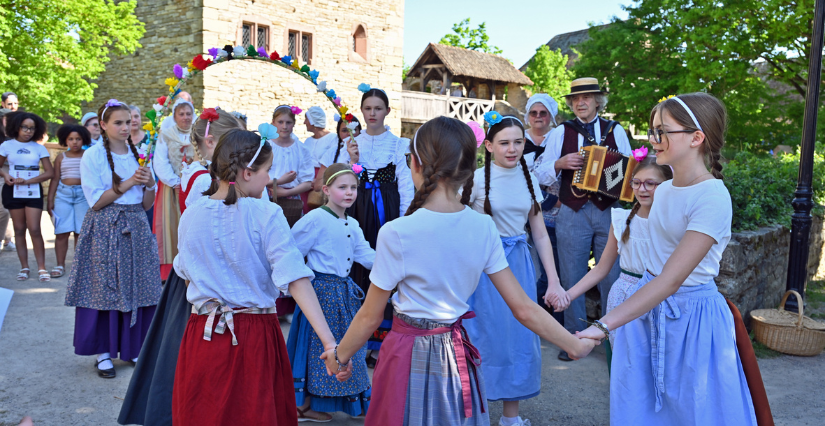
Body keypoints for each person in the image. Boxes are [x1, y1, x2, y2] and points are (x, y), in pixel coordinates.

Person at [327, 116, 598, 426]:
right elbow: (524, 308)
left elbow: (369, 316)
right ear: (469, 169)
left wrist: (339, 356)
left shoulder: (397, 231)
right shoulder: (482, 226)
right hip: (457, 352)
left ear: (415, 164)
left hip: (406, 352)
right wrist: (573, 344)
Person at [576, 93, 757, 424]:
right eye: (652, 130)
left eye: (662, 131)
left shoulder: (713, 197)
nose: (653, 139)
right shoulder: (666, 190)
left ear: (696, 137)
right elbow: (651, 266)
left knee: (693, 409)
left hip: (692, 318)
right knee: (640, 407)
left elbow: (671, 279)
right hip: (645, 312)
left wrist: (603, 325)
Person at [171, 128, 343, 425]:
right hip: (252, 336)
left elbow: (188, 277)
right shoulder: (266, 214)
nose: (269, 178)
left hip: (204, 333)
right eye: (267, 170)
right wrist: (329, 343)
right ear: (248, 172)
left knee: (204, 414)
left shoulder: (192, 213)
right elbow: (295, 279)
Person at [117, 107, 243, 426]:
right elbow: (197, 234)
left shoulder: (219, 173)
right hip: (200, 277)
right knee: (189, 348)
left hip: (223, 271)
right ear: (213, 142)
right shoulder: (201, 176)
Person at [463, 113, 567, 426]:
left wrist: (553, 281)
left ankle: (511, 418)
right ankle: (472, 415)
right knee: (480, 336)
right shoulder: (476, 180)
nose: (512, 149)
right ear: (490, 146)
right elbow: (457, 225)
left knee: (518, 338)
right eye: (504, 142)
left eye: (518, 142)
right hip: (482, 268)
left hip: (519, 264)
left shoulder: (529, 178)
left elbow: (538, 233)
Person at [534, 77, 632, 361]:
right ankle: (573, 340)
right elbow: (540, 172)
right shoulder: (561, 132)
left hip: (608, 212)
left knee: (611, 278)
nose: (580, 102)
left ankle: (612, 339)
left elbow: (626, 169)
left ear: (598, 101)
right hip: (572, 210)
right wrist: (559, 163)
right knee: (571, 274)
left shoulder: (616, 130)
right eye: (575, 99)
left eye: (587, 97)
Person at [64, 99, 160, 379]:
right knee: (104, 287)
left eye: (128, 121)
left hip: (136, 224)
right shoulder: (92, 156)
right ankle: (103, 352)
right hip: (105, 226)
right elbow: (96, 202)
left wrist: (150, 185)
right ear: (103, 126)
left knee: (137, 285)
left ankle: (131, 347)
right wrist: (130, 181)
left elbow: (144, 204)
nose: (124, 127)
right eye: (117, 122)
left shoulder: (139, 152)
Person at [287, 163, 375, 421]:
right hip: (320, 294)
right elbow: (292, 252)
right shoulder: (315, 219)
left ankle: (348, 401)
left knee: (349, 347)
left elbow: (365, 254)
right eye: (342, 187)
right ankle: (304, 405)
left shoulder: (353, 224)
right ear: (326, 189)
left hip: (344, 296)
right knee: (319, 350)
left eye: (353, 188)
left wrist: (393, 266)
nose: (349, 192)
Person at [560, 155, 671, 354]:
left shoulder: (672, 223)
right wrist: (568, 295)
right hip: (622, 298)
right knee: (624, 359)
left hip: (658, 297)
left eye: (650, 183)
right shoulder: (621, 219)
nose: (642, 189)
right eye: (636, 182)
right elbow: (601, 269)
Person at [340, 85, 414, 363]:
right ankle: (354, 337)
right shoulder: (352, 143)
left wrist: (405, 219)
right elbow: (341, 178)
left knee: (384, 268)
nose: (372, 113)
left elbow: (405, 183)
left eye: (378, 108)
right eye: (368, 108)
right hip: (358, 207)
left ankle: (379, 341)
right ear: (361, 111)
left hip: (386, 210)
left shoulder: (398, 144)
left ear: (387, 111)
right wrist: (352, 160)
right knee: (356, 265)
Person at [0, 111, 54, 282]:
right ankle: (24, 267)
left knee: (35, 229)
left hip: (32, 191)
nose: (28, 131)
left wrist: (30, 180)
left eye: (32, 128)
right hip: (13, 191)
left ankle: (42, 268)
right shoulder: (6, 146)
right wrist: (5, 175)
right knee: (19, 229)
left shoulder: (39, 148)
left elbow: (50, 172)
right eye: (25, 127)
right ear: (16, 127)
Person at [523, 94, 563, 317]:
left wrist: (554, 201)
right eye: (533, 113)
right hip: (521, 212)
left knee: (550, 269)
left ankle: (545, 317)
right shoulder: (518, 139)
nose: (538, 117)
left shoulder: (558, 139)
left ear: (551, 116)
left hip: (551, 213)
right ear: (527, 115)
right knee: (524, 268)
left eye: (543, 113)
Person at [152, 98, 194, 280]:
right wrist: (175, 181)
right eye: (181, 113)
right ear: (175, 116)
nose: (185, 117)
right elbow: (160, 161)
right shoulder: (166, 134)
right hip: (172, 188)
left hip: (194, 187)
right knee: (171, 226)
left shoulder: (199, 133)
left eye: (188, 113)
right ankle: (169, 271)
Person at [46, 124, 92, 278]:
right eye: (70, 139)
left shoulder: (88, 155)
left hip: (83, 197)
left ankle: (79, 266)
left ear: (83, 139)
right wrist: (50, 199)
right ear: (65, 140)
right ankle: (60, 265)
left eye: (78, 139)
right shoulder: (61, 157)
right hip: (63, 197)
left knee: (81, 232)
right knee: (62, 232)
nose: (74, 142)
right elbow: (55, 178)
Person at [267, 105, 314, 227]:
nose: (284, 126)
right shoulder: (265, 147)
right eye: (280, 122)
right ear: (273, 123)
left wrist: (288, 192)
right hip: (266, 196)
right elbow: (255, 178)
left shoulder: (301, 149)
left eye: (288, 122)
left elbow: (308, 182)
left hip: (292, 201)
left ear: (293, 124)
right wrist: (279, 182)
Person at [303, 106, 338, 212]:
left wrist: (319, 180)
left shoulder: (333, 138)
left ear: (313, 121)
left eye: (306, 119)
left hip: (324, 178)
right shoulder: (308, 141)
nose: (304, 122)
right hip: (307, 179)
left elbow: (332, 162)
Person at [0, 108, 16, 253]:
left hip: (11, 177)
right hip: (2, 175)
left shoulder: (17, 138)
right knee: (3, 210)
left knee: (5, 210)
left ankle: (7, 239)